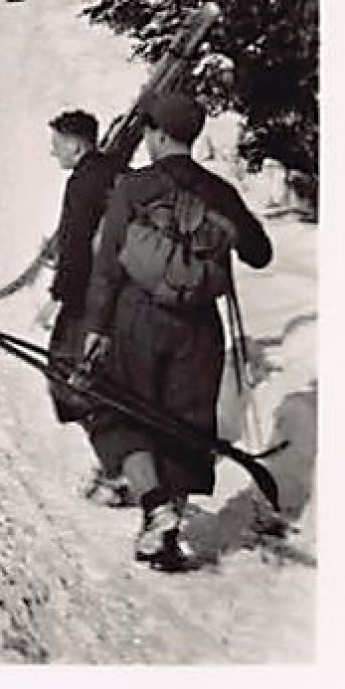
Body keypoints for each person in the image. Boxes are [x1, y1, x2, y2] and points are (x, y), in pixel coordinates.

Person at [81, 93, 272, 571]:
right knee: (184, 427)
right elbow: (259, 253)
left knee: (120, 415)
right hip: (199, 328)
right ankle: (164, 539)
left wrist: (97, 327)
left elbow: (107, 265)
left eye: (149, 132)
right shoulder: (219, 192)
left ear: (161, 134)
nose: (146, 140)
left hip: (136, 320)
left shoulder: (133, 188)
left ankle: (155, 507)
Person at [39, 109, 127, 505]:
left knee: (74, 378)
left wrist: (59, 298)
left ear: (76, 145)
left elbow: (76, 245)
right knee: (107, 378)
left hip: (90, 297)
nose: (52, 153)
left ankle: (116, 473)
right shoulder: (118, 171)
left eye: (57, 144)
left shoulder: (83, 183)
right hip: (125, 292)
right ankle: (120, 466)